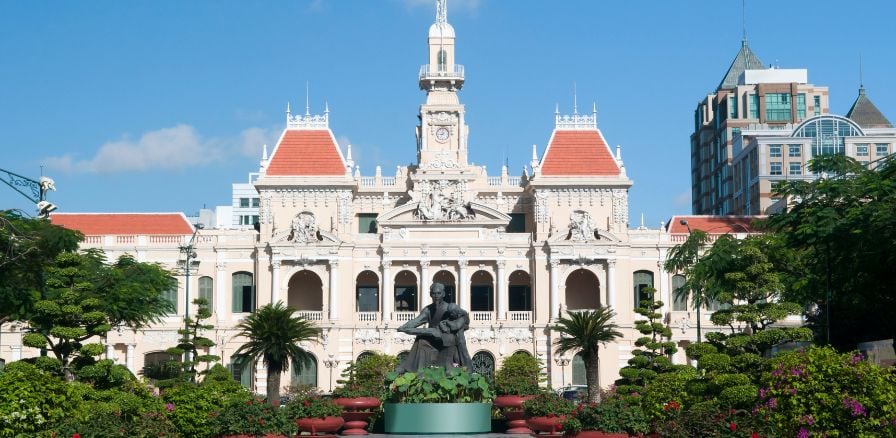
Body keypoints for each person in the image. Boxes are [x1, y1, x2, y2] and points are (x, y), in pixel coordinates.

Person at [396, 282, 473, 372]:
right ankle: (418, 370)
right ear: (430, 294)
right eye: (434, 293)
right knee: (421, 339)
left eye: (439, 293)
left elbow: (464, 320)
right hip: (433, 337)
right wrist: (404, 327)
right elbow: (417, 321)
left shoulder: (449, 308)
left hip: (447, 338)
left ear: (443, 294)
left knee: (428, 335)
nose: (436, 296)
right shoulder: (428, 309)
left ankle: (408, 367)